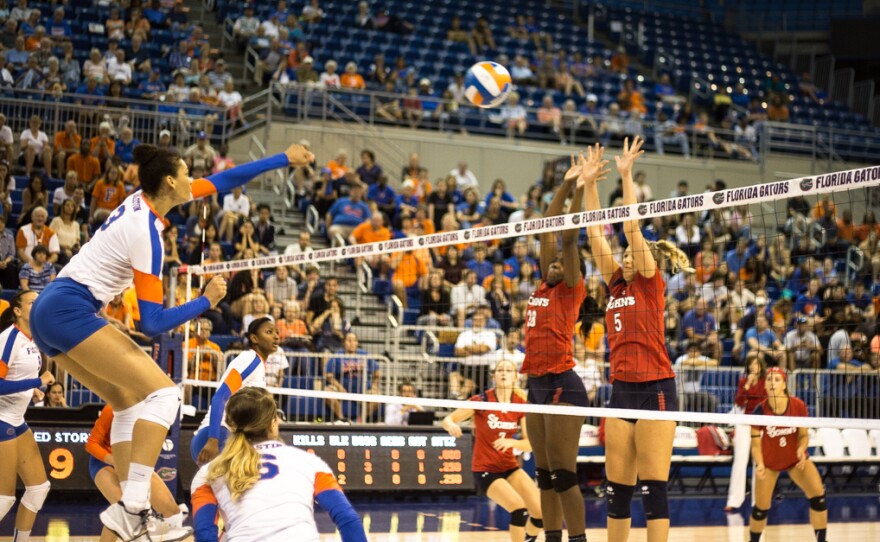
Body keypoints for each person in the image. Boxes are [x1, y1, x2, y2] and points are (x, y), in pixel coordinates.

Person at [28, 143, 312, 539]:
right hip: (68, 308)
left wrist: (284, 158)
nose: (191, 179)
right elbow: (151, 322)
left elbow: (221, 180)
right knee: (165, 396)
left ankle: (131, 504)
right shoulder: (147, 233)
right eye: (185, 172)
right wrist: (206, 301)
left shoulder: (144, 202)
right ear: (169, 181)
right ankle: (134, 508)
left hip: (53, 310)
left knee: (129, 402)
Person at [583, 137, 689, 542]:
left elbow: (630, 228)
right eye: (623, 255)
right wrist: (590, 184)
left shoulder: (650, 282)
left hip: (656, 390)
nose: (625, 257)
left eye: (631, 254)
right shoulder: (614, 285)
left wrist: (626, 175)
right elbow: (596, 234)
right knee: (617, 490)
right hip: (622, 390)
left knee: (653, 488)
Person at [520, 147, 594, 542]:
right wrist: (566, 180)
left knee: (564, 476)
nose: (554, 264)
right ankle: (551, 538)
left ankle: (578, 539)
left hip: (564, 384)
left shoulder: (569, 289)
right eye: (551, 262)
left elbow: (567, 236)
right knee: (544, 477)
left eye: (561, 262)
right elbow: (548, 225)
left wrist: (581, 189)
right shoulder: (543, 283)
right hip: (536, 382)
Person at [191, 387, 366, 542]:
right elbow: (347, 519)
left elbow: (205, 534)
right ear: (273, 424)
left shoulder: (208, 473)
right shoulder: (310, 463)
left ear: (231, 425)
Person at [442, 360, 543, 542]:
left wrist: (511, 443)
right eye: (500, 370)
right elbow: (448, 419)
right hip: (485, 470)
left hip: (509, 467)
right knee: (518, 509)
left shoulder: (520, 404)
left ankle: (528, 538)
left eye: (508, 370)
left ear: (515, 377)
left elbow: (529, 444)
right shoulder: (482, 401)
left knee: (540, 514)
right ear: (493, 376)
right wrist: (451, 425)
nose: (504, 373)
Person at [85, 405, 190, 541]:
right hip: (105, 462)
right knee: (127, 512)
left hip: (134, 463)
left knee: (172, 511)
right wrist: (115, 461)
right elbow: (91, 443)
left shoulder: (156, 410)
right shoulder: (112, 408)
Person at [749, 367, 827, 542]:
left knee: (818, 497)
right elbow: (755, 445)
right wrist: (759, 464)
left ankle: (822, 540)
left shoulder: (797, 405)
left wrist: (801, 449)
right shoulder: (759, 410)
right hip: (769, 462)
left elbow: (803, 435)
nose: (772, 383)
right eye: (769, 379)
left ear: (784, 384)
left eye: (776, 379)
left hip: (794, 460)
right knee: (761, 509)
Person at [0, 291, 55, 542]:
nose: (39, 304)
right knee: (4, 498)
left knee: (38, 489)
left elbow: (14, 377)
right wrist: (37, 381)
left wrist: (31, 389)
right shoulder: (8, 339)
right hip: (1, 419)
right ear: (18, 311)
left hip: (16, 418)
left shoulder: (32, 340)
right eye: (32, 302)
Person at [191, 317, 280, 465]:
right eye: (269, 332)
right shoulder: (250, 359)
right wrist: (213, 439)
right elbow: (219, 396)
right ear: (254, 338)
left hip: (227, 436)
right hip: (216, 435)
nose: (276, 336)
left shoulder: (259, 364)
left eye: (277, 332)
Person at [725, 353, 766, 511]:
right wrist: (748, 386)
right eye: (751, 364)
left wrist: (749, 395)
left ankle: (759, 501)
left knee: (759, 463)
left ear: (761, 366)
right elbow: (739, 401)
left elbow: (763, 401)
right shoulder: (743, 381)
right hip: (744, 423)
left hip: (760, 424)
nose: (753, 366)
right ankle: (734, 500)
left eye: (756, 364)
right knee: (740, 461)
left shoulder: (765, 381)